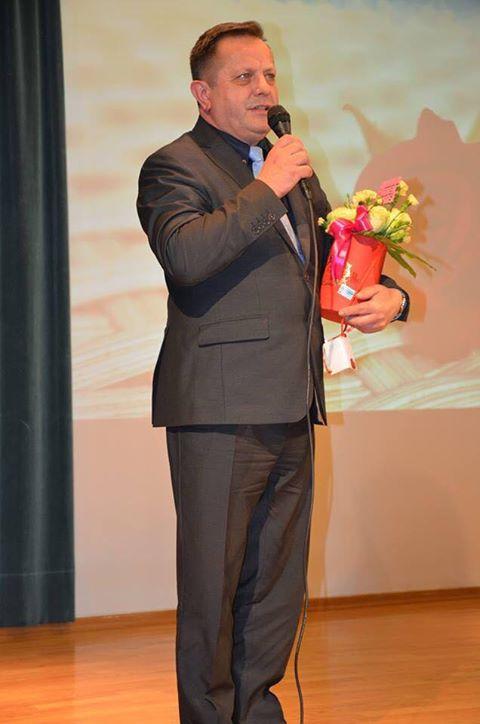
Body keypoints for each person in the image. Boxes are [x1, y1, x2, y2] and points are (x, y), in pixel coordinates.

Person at [136, 21, 409, 724]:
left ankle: (257, 712)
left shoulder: (288, 171)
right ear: (202, 94)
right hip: (218, 410)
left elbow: (329, 260)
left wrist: (390, 296)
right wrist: (267, 185)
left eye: (269, 76)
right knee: (213, 588)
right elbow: (187, 258)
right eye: (244, 77)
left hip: (291, 402)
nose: (264, 89)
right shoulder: (174, 167)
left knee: (274, 588)